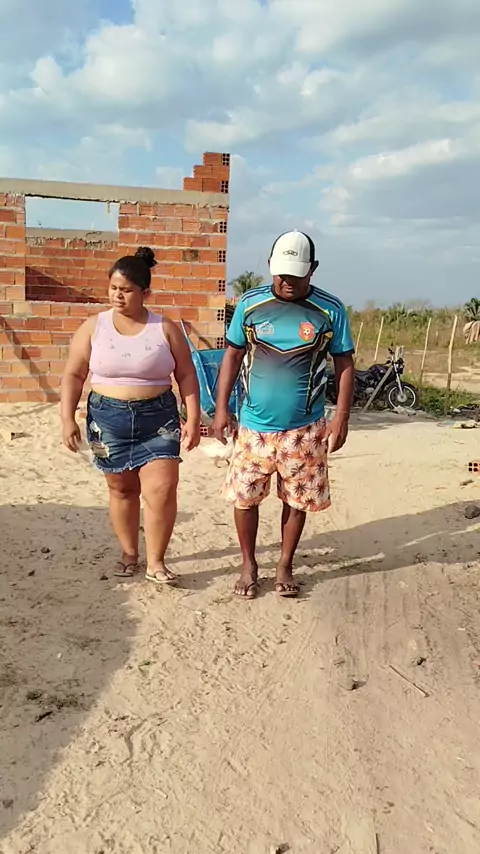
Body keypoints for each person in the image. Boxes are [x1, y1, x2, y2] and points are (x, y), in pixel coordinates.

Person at [212, 230, 355, 599]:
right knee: (244, 499)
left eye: (296, 274)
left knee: (296, 500)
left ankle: (285, 564)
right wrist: (222, 408)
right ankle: (249, 564)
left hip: (303, 429)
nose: (287, 281)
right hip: (253, 428)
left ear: (313, 269)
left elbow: (344, 364)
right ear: (271, 266)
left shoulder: (330, 310)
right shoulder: (250, 304)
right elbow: (232, 355)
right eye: (281, 273)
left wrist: (341, 416)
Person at [61, 246, 201, 584]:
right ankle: (129, 553)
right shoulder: (93, 327)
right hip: (107, 420)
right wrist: (66, 418)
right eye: (113, 288)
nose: (117, 296)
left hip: (159, 419)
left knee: (162, 489)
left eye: (126, 290)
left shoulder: (164, 328)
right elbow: (74, 374)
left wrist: (194, 417)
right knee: (121, 489)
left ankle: (156, 562)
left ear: (145, 293)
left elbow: (186, 374)